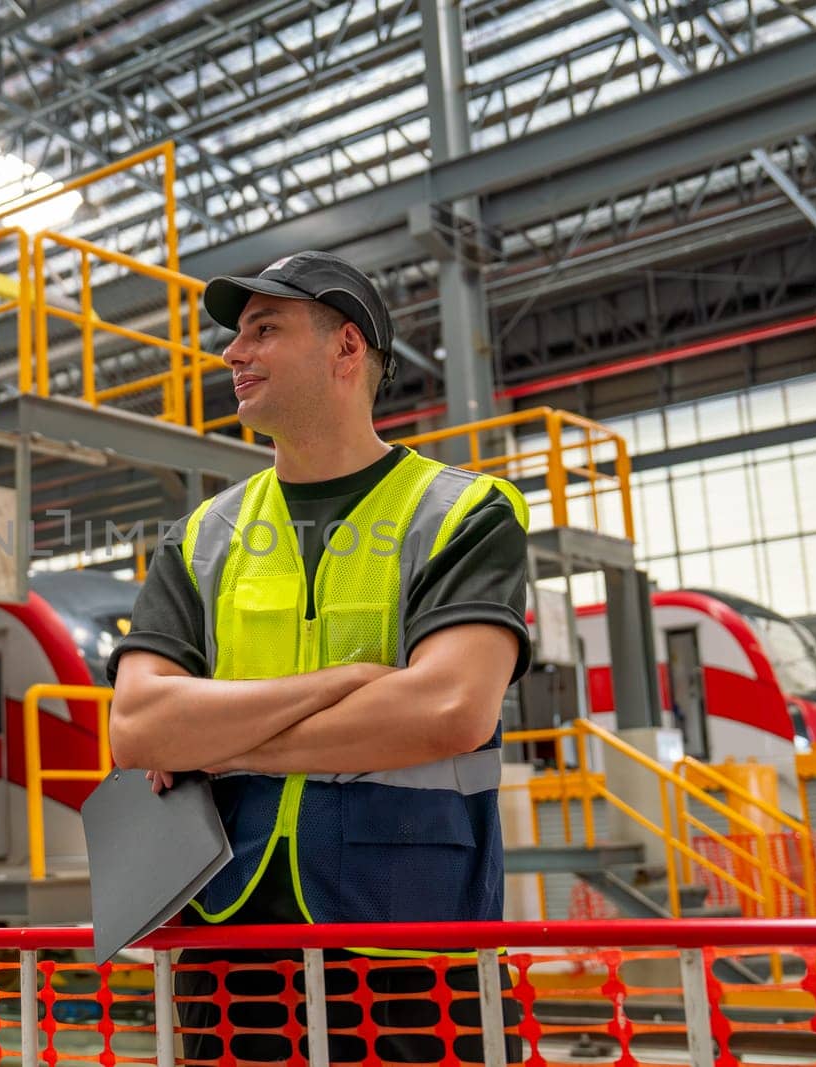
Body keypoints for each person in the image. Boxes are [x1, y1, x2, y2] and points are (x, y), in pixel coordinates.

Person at [104, 250, 532, 1064]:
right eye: (237, 337)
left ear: (346, 349)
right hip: (232, 956)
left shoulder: (464, 513)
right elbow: (139, 726)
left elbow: (448, 710)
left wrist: (215, 740)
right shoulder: (202, 538)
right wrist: (352, 682)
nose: (232, 353)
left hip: (410, 952)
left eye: (264, 330)